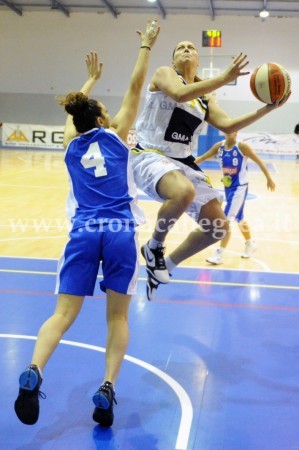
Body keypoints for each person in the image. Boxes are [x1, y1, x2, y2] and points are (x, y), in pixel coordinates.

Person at [14, 18, 159, 428]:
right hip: (118, 235)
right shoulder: (116, 136)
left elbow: (72, 118)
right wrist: (145, 46)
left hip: (82, 232)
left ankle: (35, 370)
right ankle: (108, 387)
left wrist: (88, 83)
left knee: (61, 314)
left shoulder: (71, 146)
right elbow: (135, 87)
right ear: (100, 120)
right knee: (117, 318)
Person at [130, 40, 290, 301]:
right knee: (184, 192)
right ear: (173, 61)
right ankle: (154, 245)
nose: (185, 49)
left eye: (190, 48)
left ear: (198, 61)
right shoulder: (164, 74)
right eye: (179, 47)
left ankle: (165, 266)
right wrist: (225, 77)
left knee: (218, 228)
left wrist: (267, 108)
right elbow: (180, 95)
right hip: (150, 154)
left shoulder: (205, 98)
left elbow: (228, 126)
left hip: (183, 162)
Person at [195, 131, 276, 264]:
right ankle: (250, 243)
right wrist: (186, 165)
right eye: (227, 130)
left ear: (236, 133)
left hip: (240, 187)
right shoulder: (219, 146)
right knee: (239, 217)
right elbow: (202, 157)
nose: (229, 132)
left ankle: (219, 254)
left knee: (226, 220)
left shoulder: (242, 146)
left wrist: (268, 178)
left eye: (232, 130)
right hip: (228, 187)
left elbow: (259, 161)